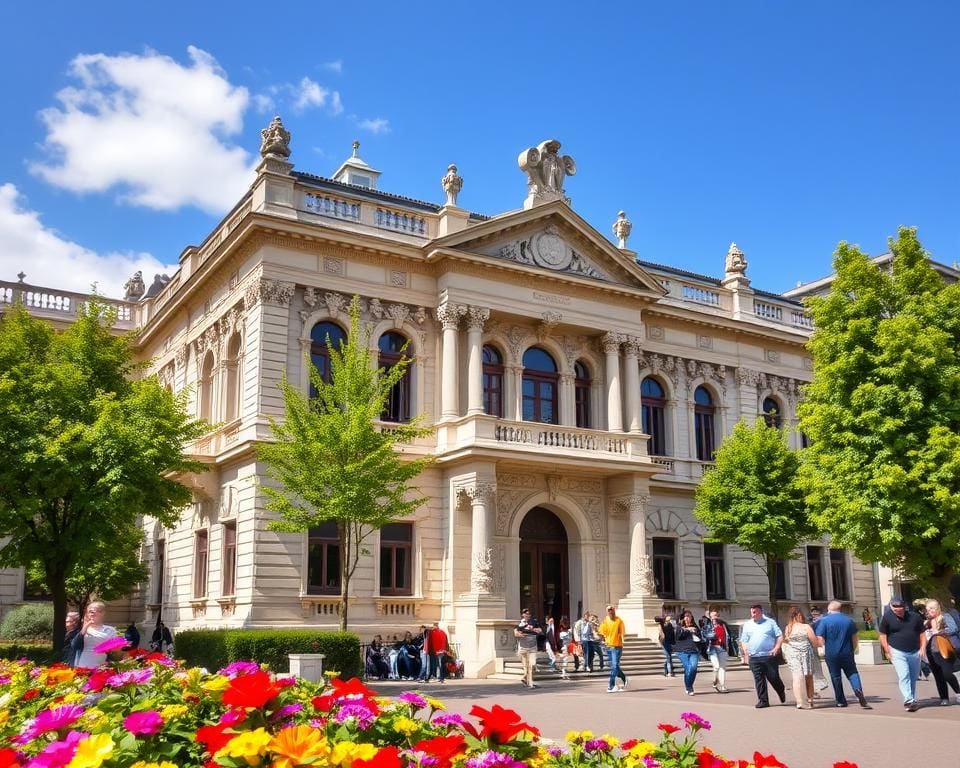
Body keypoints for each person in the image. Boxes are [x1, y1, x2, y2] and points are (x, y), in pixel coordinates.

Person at [815, 600, 871, 709]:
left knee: (835, 676)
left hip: (831, 653)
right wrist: (853, 649)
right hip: (847, 652)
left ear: (829, 609)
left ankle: (841, 700)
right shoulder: (849, 620)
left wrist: (822, 648)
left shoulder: (824, 621)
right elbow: (854, 638)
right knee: (852, 672)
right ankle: (858, 689)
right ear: (840, 609)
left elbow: (820, 637)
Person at [878, 596, 926, 711]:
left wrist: (923, 648)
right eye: (895, 607)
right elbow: (882, 635)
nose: (898, 610)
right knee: (904, 674)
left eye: (900, 607)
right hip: (897, 650)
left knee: (913, 677)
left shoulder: (915, 617)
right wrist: (887, 650)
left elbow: (922, 634)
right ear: (891, 607)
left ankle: (911, 699)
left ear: (904, 607)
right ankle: (908, 700)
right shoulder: (887, 617)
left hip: (914, 651)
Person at [739, 604, 787, 708]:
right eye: (752, 612)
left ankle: (780, 689)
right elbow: (743, 640)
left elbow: (779, 636)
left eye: (755, 612)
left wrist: (776, 648)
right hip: (754, 657)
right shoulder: (747, 624)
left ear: (761, 612)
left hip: (768, 656)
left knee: (773, 677)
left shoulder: (770, 622)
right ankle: (763, 700)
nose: (753, 615)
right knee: (759, 679)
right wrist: (745, 649)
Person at [921, 599, 960, 706]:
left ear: (938, 608)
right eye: (928, 609)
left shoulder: (944, 616)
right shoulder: (927, 621)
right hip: (931, 651)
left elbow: (953, 629)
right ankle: (944, 698)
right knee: (938, 676)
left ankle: (958, 693)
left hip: (944, 649)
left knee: (947, 674)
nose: (930, 611)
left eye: (932, 608)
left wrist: (939, 632)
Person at [782, 606, 819, 709]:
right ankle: (810, 699)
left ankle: (799, 701)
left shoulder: (788, 628)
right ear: (799, 615)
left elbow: (787, 641)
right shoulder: (806, 627)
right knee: (808, 676)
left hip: (793, 654)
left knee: (796, 677)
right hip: (805, 654)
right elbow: (814, 642)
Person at [71, 602, 117, 668]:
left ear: (103, 613)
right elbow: (74, 645)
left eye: (97, 610)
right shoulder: (80, 629)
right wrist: (85, 628)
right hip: (82, 667)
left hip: (101, 667)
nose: (93, 613)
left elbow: (114, 650)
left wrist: (109, 662)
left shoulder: (110, 630)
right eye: (90, 611)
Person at [598, 605, 627, 693]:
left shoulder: (619, 621)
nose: (610, 612)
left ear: (614, 611)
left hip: (617, 646)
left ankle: (611, 685)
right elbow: (601, 632)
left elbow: (622, 633)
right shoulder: (606, 621)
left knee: (614, 666)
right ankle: (623, 678)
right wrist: (602, 640)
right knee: (614, 667)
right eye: (609, 611)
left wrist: (622, 641)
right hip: (609, 646)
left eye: (612, 610)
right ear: (607, 612)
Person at [674, 611, 702, 696]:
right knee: (688, 668)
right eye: (686, 616)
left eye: (689, 616)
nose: (687, 618)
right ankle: (689, 688)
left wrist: (695, 631)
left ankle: (689, 686)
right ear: (682, 618)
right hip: (682, 651)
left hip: (694, 651)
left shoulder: (695, 627)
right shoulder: (679, 627)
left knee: (693, 668)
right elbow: (678, 637)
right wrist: (686, 630)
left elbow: (700, 638)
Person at [704, 609, 732, 692]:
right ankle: (715, 681)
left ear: (718, 616)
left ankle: (723, 686)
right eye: (712, 616)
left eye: (715, 615)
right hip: (713, 649)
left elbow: (729, 636)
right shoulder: (708, 626)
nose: (714, 617)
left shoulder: (723, 625)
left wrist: (728, 647)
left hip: (722, 648)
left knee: (722, 667)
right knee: (716, 666)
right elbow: (704, 636)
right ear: (710, 617)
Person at [515, 608, 542, 689]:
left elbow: (540, 630)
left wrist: (533, 629)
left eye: (529, 614)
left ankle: (526, 680)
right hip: (523, 647)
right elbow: (516, 633)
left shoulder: (534, 622)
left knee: (532, 665)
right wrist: (521, 634)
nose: (528, 615)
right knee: (526, 666)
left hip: (532, 647)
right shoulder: (519, 623)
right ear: (522, 615)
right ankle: (529, 682)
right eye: (526, 614)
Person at [655, 613, 677, 677]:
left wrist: (674, 642)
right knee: (668, 657)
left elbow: (672, 634)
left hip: (669, 642)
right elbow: (656, 618)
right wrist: (663, 619)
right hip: (664, 642)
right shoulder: (662, 623)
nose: (670, 618)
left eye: (670, 618)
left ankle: (665, 671)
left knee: (668, 657)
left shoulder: (671, 625)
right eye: (668, 617)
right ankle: (670, 672)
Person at [557, 616, 574, 680]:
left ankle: (563, 673)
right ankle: (563, 674)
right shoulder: (566, 633)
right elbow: (570, 639)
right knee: (565, 660)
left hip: (564, 647)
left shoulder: (561, 633)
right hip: (565, 647)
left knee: (564, 660)